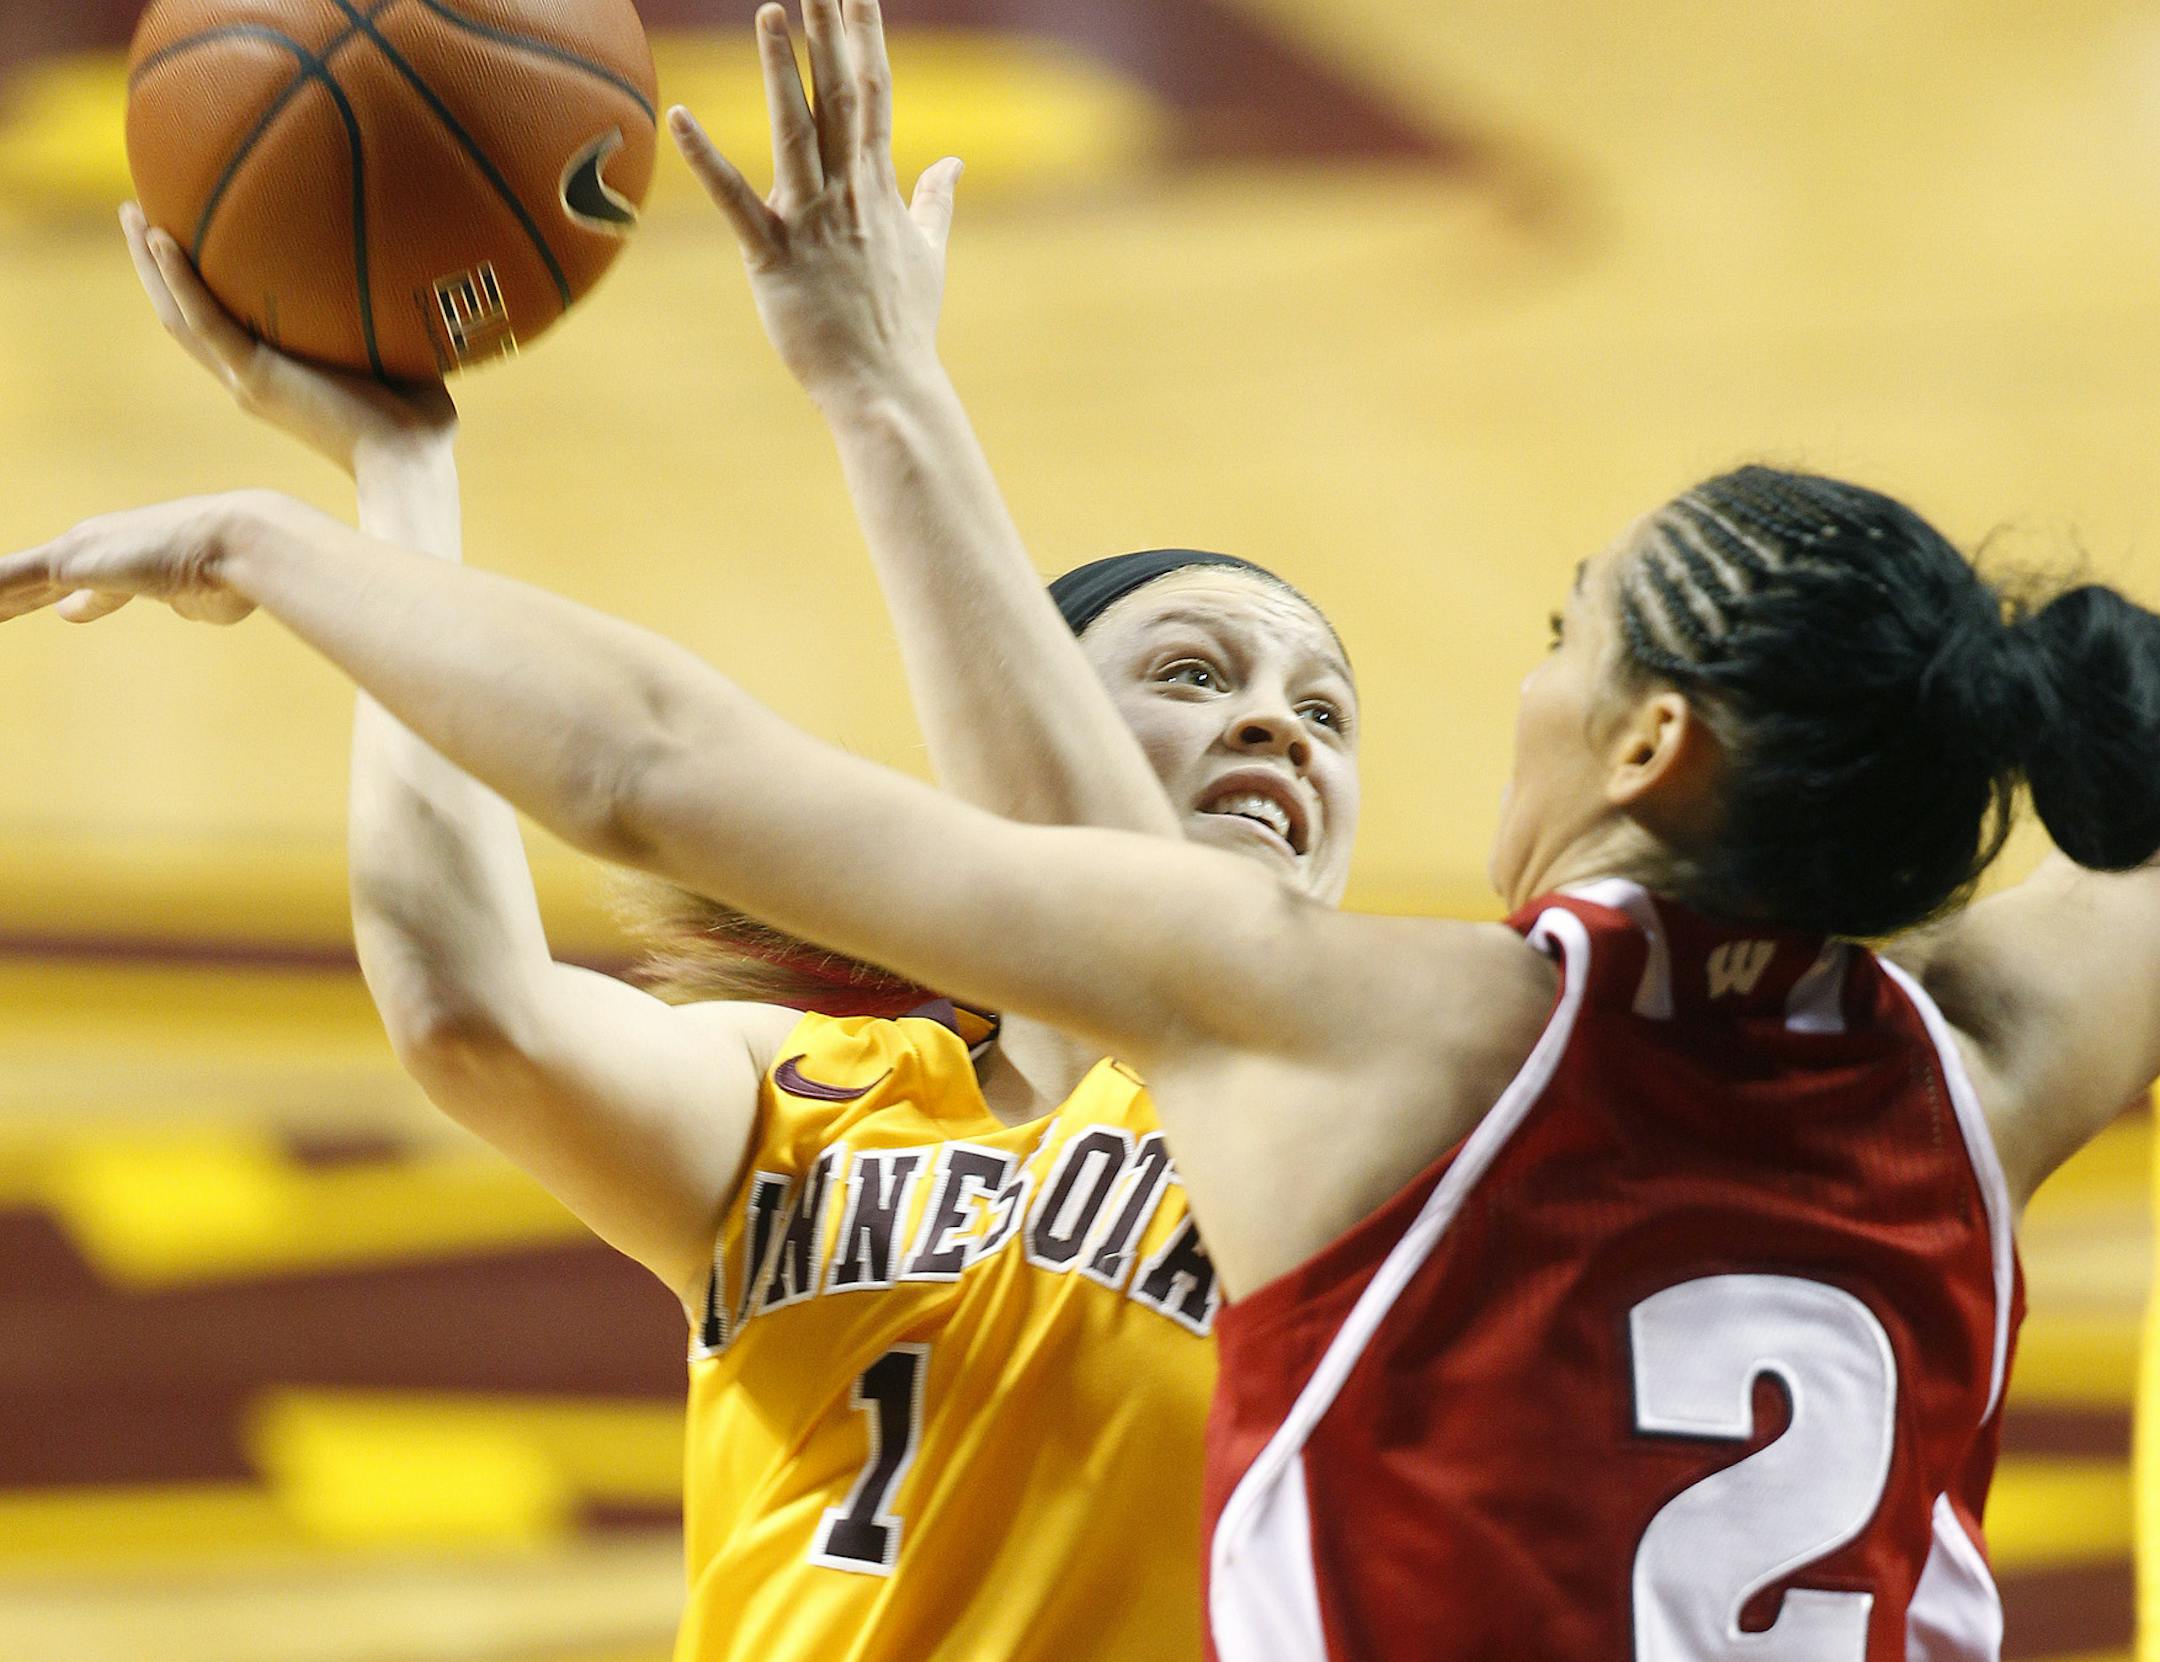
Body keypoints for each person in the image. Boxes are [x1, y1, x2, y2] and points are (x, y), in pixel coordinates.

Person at [17, 19, 2160, 1662]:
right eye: (1191, 672)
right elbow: (516, 989)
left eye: (1548, 638)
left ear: (1651, 750)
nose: (1281, 724)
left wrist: (279, 534)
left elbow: (663, 763)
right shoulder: (1994, 1061)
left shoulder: (1380, 1047)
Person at [90, 2, 1357, 1656]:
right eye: (1196, 671)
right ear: (1011, 715)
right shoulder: (804, 1098)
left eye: (1327, 711)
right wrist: (400, 482)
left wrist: (888, 383)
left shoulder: (1363, 1104)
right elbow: (465, 1008)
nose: (1278, 720)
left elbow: (1110, 924)